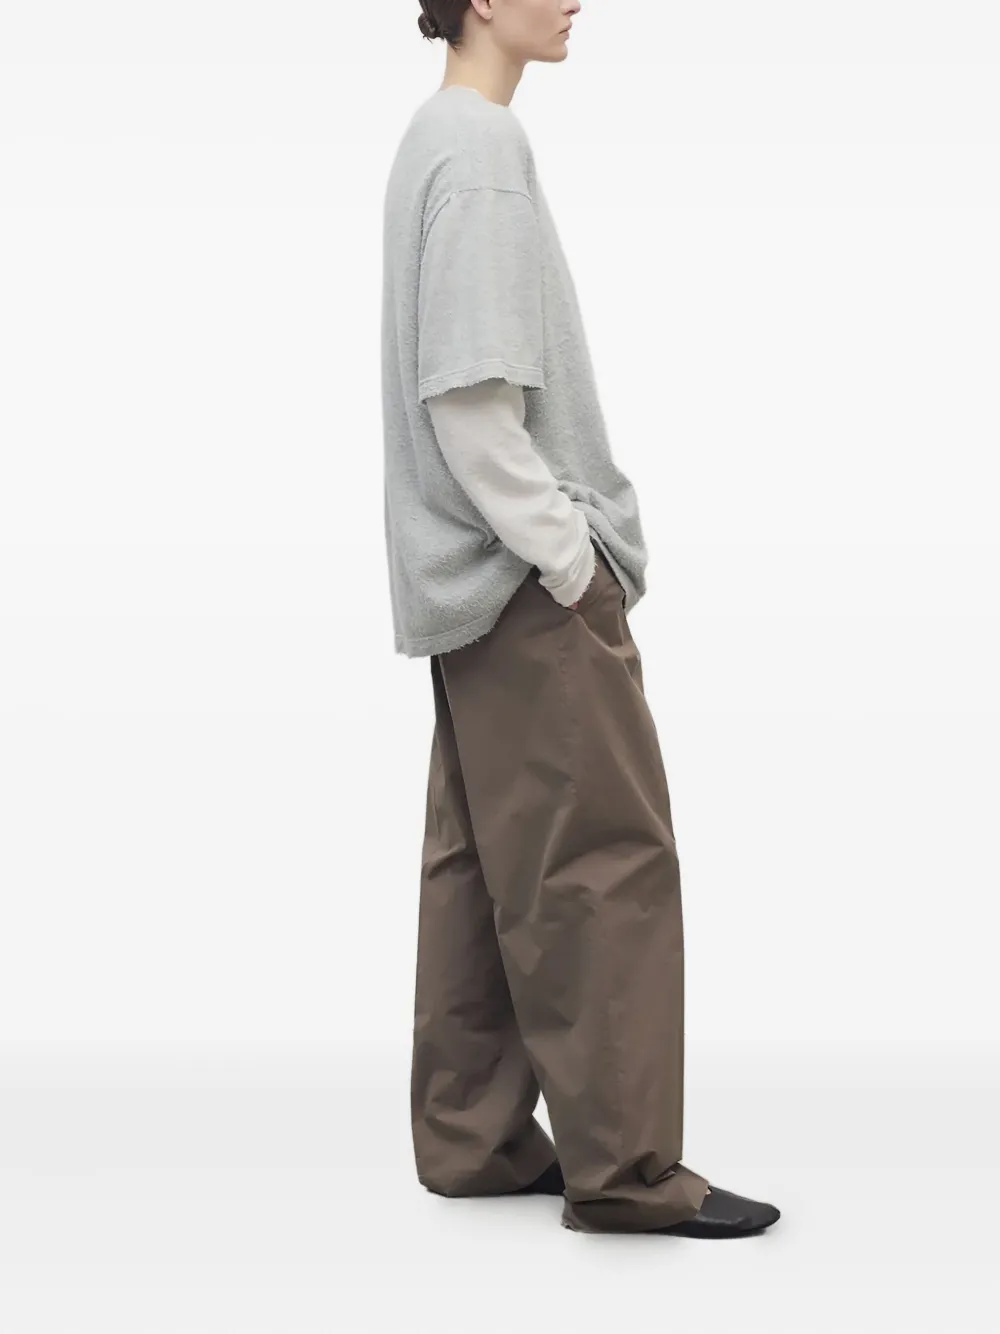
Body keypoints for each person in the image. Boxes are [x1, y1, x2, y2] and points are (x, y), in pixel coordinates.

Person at [380, 0, 782, 1238]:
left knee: (479, 865)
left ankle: (475, 1138)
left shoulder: (432, 137)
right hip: (521, 586)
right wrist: (570, 559)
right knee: (602, 861)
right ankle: (629, 1168)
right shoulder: (481, 149)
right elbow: (469, 401)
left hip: (466, 592)